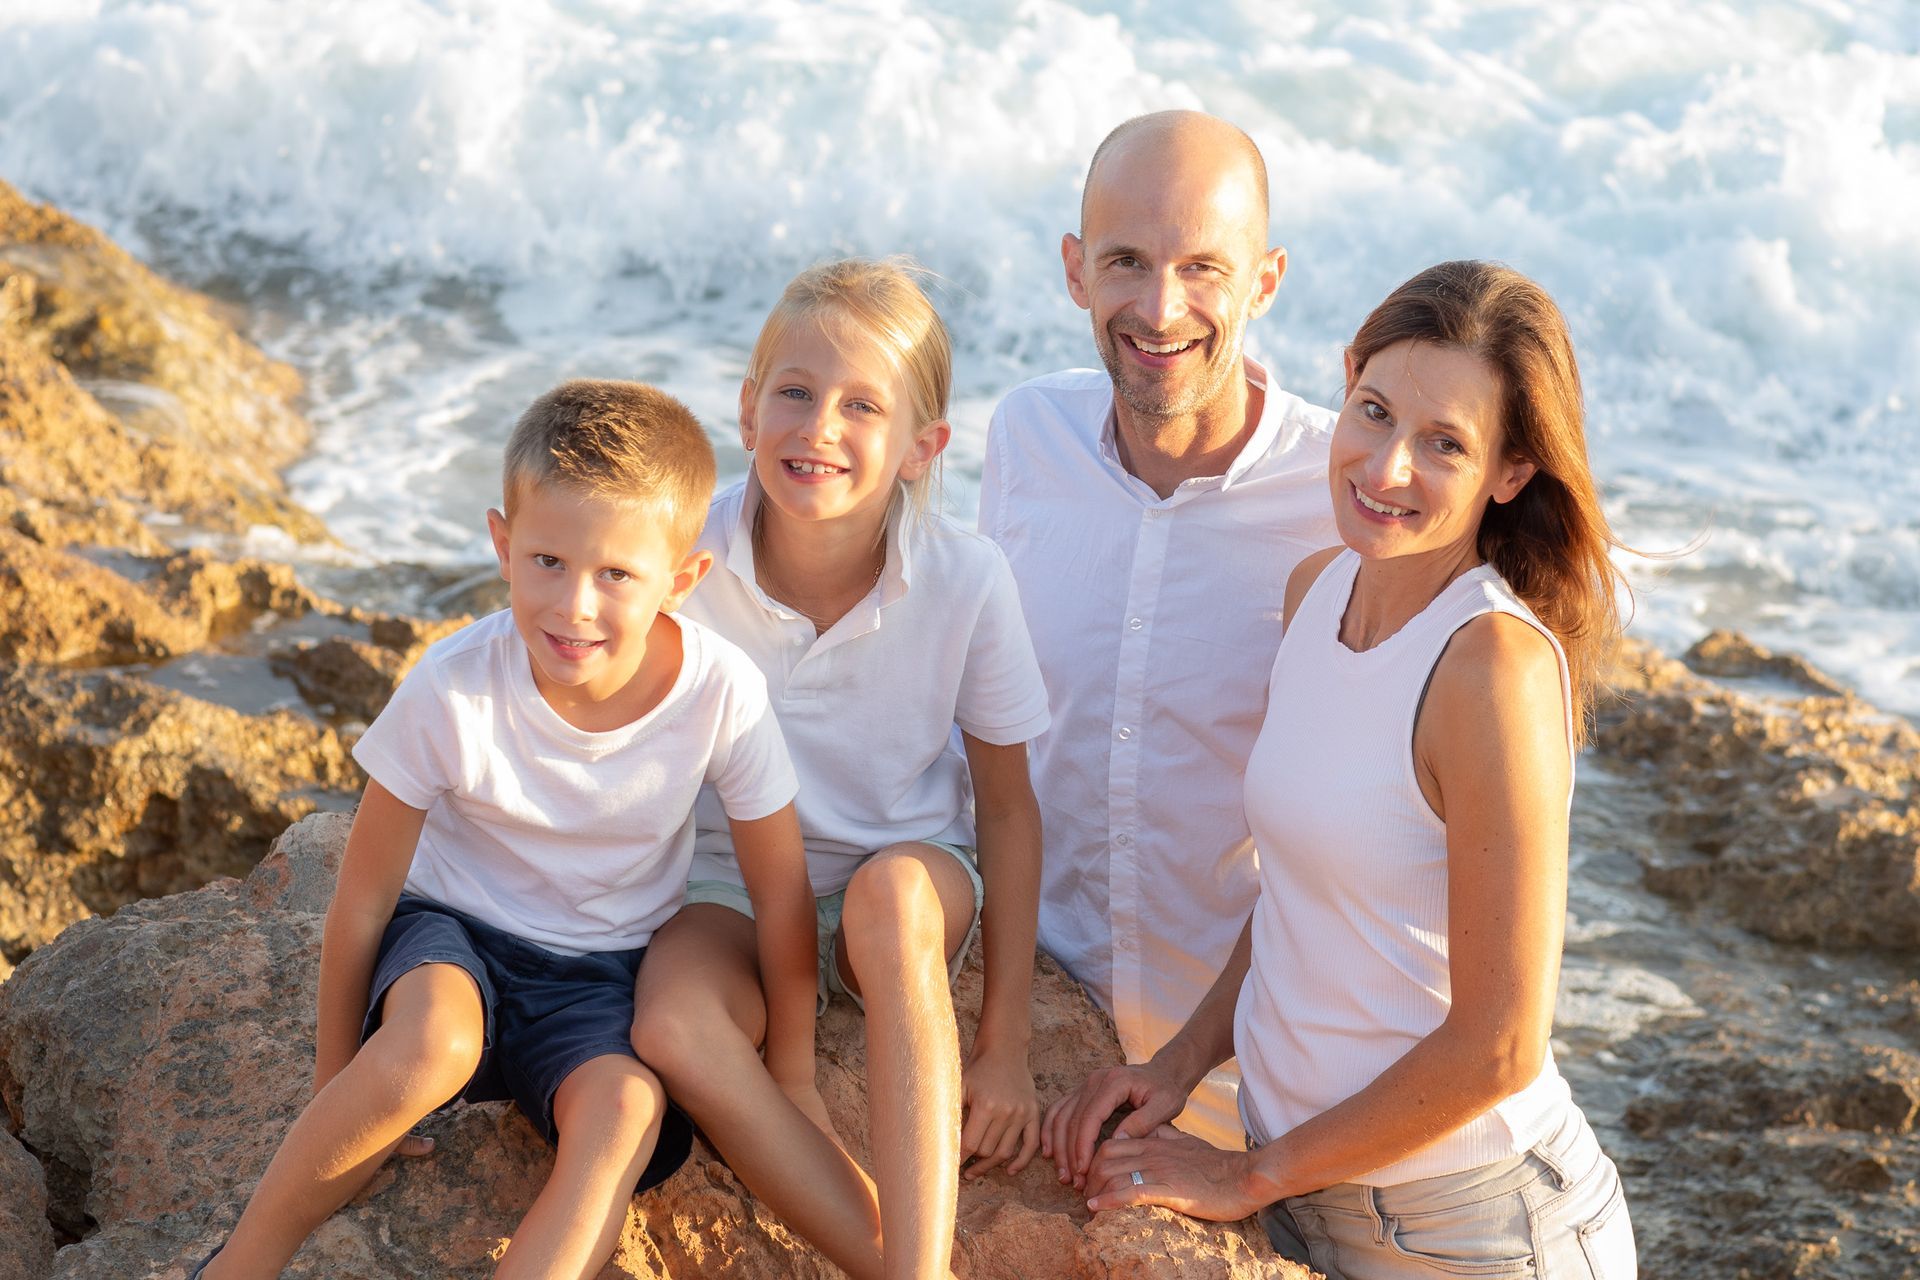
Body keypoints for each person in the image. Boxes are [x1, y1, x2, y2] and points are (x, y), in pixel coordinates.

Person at [1043, 261, 1638, 1279]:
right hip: (1308, 1198)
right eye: (1373, 411)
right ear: (1346, 377)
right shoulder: (1317, 588)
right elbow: (1297, 903)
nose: (1387, 465)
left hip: (1475, 1229)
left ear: (1510, 470)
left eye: (1445, 443)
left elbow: (1501, 1043)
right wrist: (1175, 1067)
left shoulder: (1491, 667)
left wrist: (1248, 1173)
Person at [196, 381, 818, 1279]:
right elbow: (364, 901)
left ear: (682, 580)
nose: (574, 607)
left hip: (603, 975)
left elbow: (781, 888)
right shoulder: (452, 686)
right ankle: (236, 1265)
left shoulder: (721, 692)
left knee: (626, 1112)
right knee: (435, 1044)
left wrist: (792, 1070)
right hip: (452, 939)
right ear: (502, 544)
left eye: (617, 575)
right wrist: (340, 1086)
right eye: (548, 562)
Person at [631, 259, 1049, 1280]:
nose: (819, 425)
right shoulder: (681, 555)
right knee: (672, 1021)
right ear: (746, 409)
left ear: (922, 447)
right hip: (726, 882)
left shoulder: (966, 578)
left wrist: (1007, 1045)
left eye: (863, 404)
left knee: (893, 897)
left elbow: (1008, 808)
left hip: (902, 868)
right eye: (795, 391)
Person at [978, 110, 1337, 1146]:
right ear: (1074, 269)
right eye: (1126, 260)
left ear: (1265, 281)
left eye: (1203, 268)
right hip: (1043, 1047)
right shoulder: (1026, 438)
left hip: (1259, 1082)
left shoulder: (1340, 493)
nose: (1160, 305)